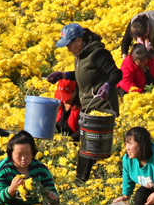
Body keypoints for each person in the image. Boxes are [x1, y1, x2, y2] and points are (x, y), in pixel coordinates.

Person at [48, 23, 123, 182]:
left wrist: (107, 85)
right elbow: (85, 74)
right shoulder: (81, 55)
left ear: (79, 40)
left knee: (90, 146)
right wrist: (63, 75)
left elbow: (116, 73)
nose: (67, 48)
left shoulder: (98, 54)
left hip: (101, 108)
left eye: (69, 44)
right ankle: (94, 180)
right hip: (89, 108)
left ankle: (85, 181)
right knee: (89, 146)